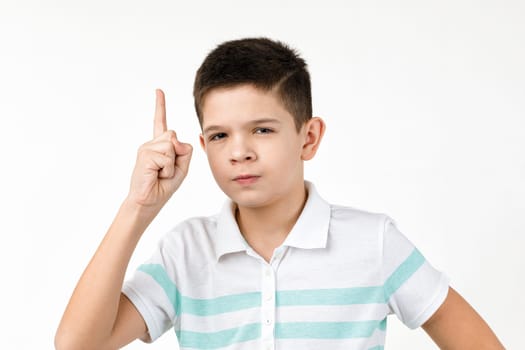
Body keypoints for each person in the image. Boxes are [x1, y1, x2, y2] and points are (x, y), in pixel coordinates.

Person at [55, 37, 504, 350]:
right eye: (218, 136)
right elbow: (77, 345)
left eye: (262, 130)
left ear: (308, 137)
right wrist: (138, 207)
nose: (239, 152)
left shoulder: (375, 243)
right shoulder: (184, 251)